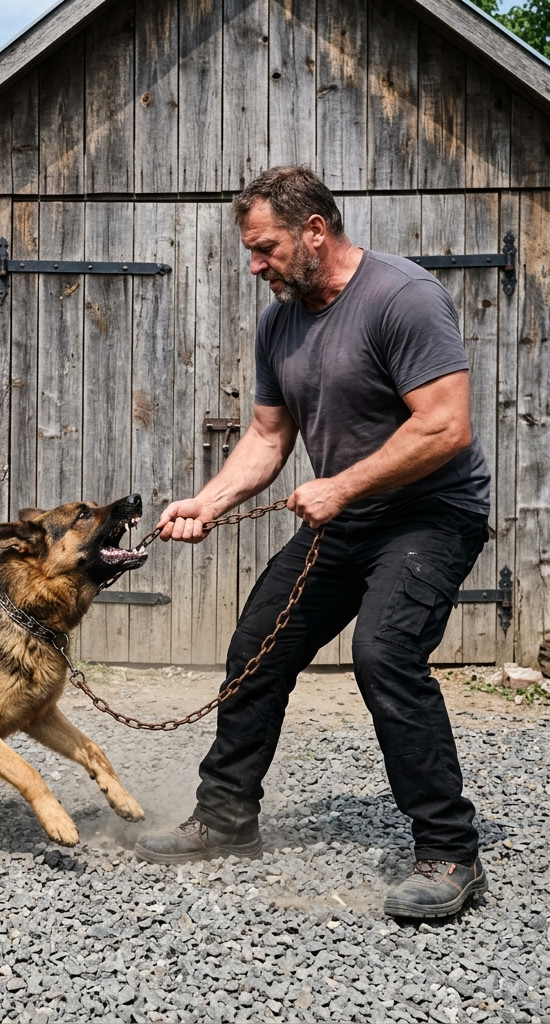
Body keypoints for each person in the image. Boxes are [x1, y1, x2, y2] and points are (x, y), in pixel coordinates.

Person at [134, 167, 492, 920]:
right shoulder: (279, 322)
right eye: (251, 251)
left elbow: (445, 426)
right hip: (347, 520)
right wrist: (207, 500)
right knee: (257, 647)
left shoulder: (403, 297)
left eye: (264, 248)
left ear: (315, 232)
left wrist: (339, 486)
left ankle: (450, 851)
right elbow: (268, 437)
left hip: (431, 515)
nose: (255, 265)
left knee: (385, 654)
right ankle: (227, 816)